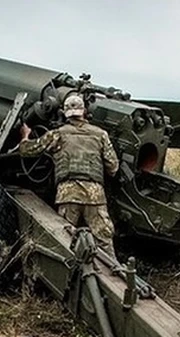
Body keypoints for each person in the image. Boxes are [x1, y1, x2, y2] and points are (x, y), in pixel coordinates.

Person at [18, 93, 120, 259]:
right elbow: (113, 167)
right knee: (104, 240)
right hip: (94, 196)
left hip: (68, 195)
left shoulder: (58, 134)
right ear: (84, 112)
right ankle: (115, 275)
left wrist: (24, 137)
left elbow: (28, 151)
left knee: (65, 242)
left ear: (65, 112)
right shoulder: (101, 135)